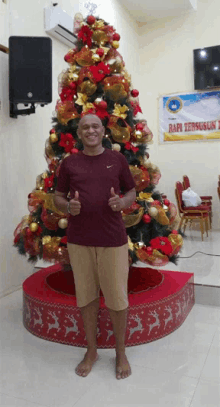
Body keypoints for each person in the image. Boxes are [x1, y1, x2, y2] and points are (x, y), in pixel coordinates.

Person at [54, 114, 136, 379]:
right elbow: (57, 196)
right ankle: (92, 350)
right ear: (79, 133)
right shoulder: (69, 163)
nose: (90, 130)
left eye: (95, 126)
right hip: (79, 240)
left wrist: (122, 203)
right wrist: (68, 206)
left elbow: (131, 192)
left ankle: (120, 352)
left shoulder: (117, 159)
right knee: (87, 297)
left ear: (103, 131)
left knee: (117, 298)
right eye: (85, 127)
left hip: (113, 239)